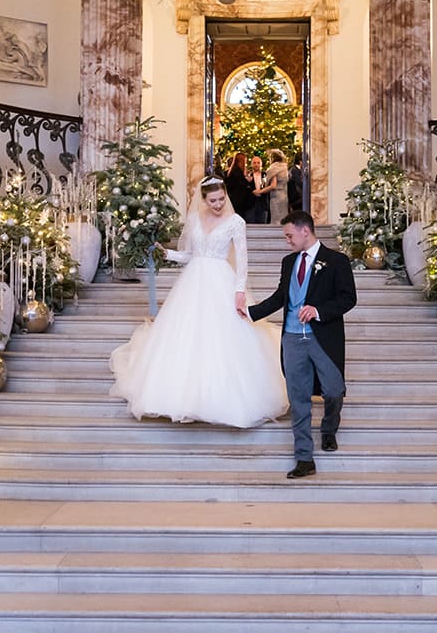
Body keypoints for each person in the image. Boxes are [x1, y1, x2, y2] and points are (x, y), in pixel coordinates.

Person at [109, 177, 287, 427]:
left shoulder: (236, 222)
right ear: (203, 200)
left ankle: (222, 398)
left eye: (222, 199)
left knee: (224, 338)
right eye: (212, 200)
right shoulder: (194, 221)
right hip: (193, 281)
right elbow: (189, 255)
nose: (218, 204)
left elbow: (243, 260)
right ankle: (180, 397)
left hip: (221, 282)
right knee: (185, 336)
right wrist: (166, 252)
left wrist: (239, 291)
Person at [247, 210, 357, 478]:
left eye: (289, 235)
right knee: (299, 399)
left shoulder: (336, 261)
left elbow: (348, 299)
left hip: (323, 339)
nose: (287, 241)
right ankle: (304, 458)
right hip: (293, 339)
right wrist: (249, 313)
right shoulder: (288, 262)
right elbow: (279, 298)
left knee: (333, 390)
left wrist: (318, 310)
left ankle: (329, 428)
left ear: (305, 231)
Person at [225, 153, 254, 219]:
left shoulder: (232, 171)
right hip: (238, 201)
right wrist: (248, 181)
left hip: (234, 200)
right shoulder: (237, 171)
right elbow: (242, 185)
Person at [265, 149, 290, 223]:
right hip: (284, 196)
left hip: (276, 197)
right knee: (283, 219)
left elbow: (273, 185)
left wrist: (260, 191)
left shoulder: (274, 168)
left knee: (276, 220)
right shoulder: (284, 168)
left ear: (272, 158)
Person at [248, 156, 272, 224]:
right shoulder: (249, 175)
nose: (256, 164)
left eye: (258, 163)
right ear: (251, 164)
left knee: (262, 224)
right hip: (251, 204)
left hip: (263, 203)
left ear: (261, 164)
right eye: (254, 163)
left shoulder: (265, 175)